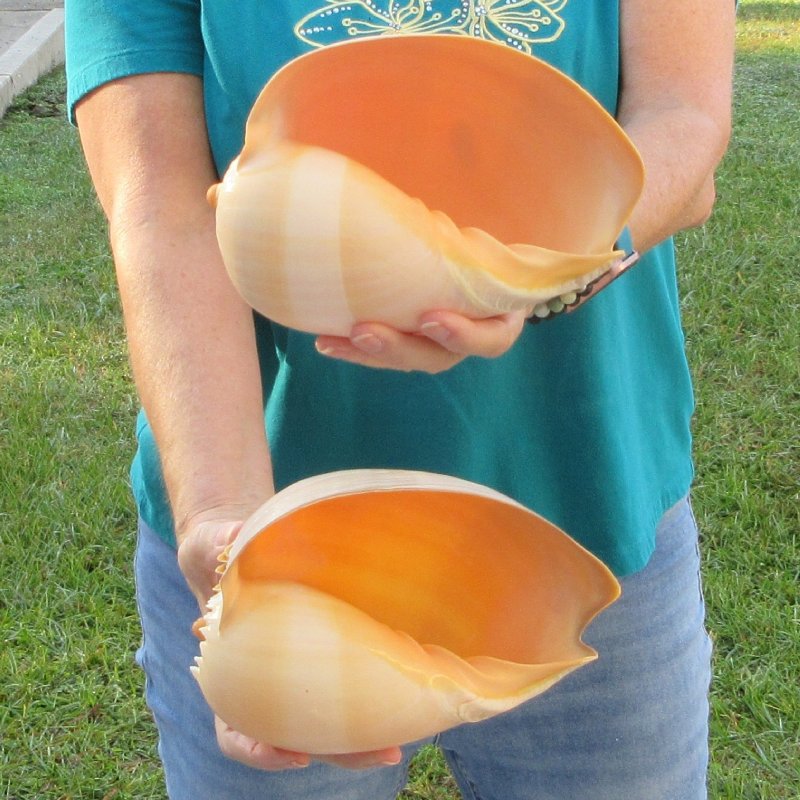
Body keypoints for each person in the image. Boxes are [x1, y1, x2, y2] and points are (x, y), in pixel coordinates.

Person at [65, 1, 735, 797]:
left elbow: (683, 117)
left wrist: (540, 277)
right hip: (276, 559)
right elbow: (162, 206)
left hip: (592, 510)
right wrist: (221, 518)